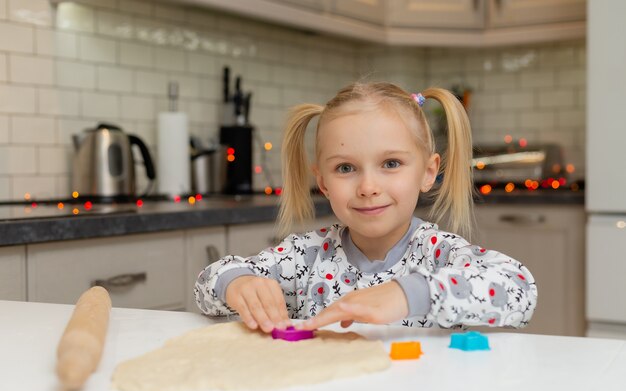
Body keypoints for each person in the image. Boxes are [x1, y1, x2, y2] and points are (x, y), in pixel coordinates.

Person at [194, 82, 537, 333]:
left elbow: (520, 288)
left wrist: (408, 294)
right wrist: (237, 285)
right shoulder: (306, 257)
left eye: (390, 163)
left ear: (428, 172)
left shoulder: (438, 254)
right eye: (346, 168)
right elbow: (207, 287)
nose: (368, 188)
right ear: (324, 182)